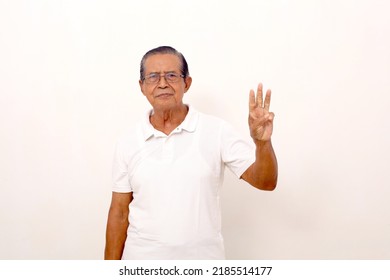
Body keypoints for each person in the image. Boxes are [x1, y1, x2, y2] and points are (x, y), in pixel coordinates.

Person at [104, 46, 278, 260]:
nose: (162, 83)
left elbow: (266, 182)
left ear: (186, 83)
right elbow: (119, 214)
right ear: (142, 86)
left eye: (171, 75)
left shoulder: (217, 131)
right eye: (152, 77)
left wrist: (262, 143)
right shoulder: (128, 141)